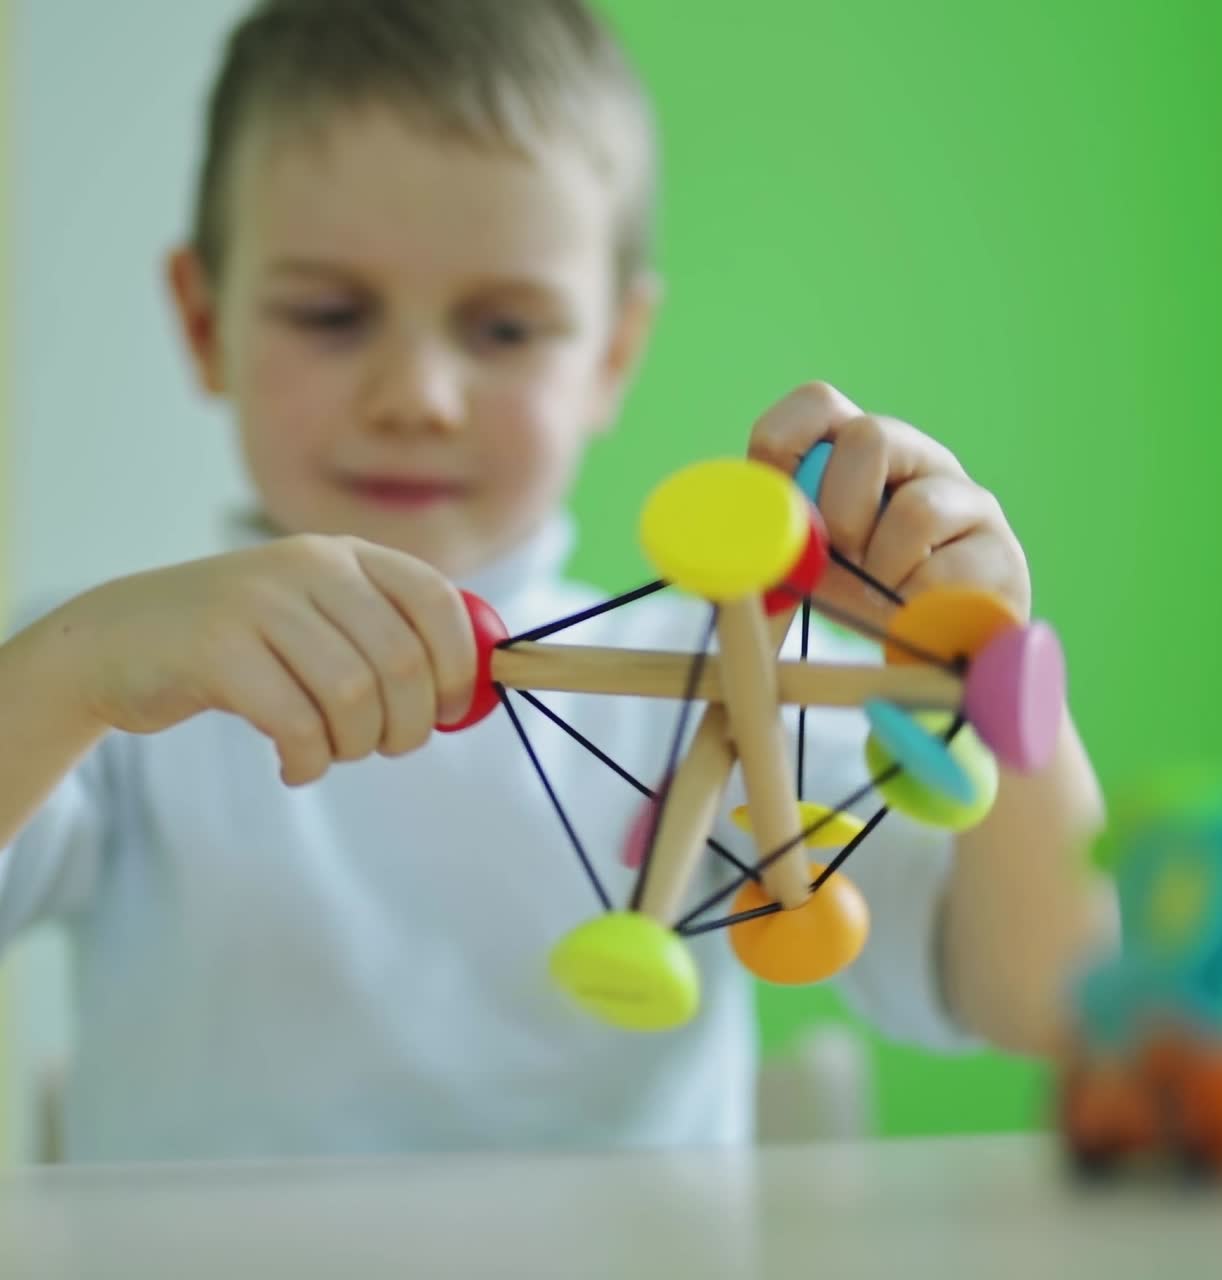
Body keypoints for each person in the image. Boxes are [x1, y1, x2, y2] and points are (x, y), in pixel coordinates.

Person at [0, 0, 1112, 1162]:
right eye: (330, 314)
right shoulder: (114, 683)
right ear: (200, 319)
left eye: (504, 329)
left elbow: (1046, 994)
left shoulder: (729, 669)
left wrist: (977, 662)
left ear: (612, 353)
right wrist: (70, 670)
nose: (417, 393)